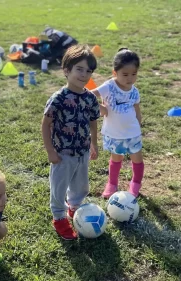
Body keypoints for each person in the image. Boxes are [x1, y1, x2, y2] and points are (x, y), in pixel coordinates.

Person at [41, 44, 101, 240]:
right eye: (79, 69)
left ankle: (73, 208)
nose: (84, 75)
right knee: (59, 188)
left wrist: (94, 143)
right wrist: (50, 151)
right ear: (66, 70)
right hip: (62, 154)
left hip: (82, 151)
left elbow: (93, 121)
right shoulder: (58, 98)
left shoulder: (90, 98)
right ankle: (59, 218)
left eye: (88, 71)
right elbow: (45, 124)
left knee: (82, 187)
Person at [92, 48, 144, 198]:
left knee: (137, 159)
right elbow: (89, 95)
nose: (130, 78)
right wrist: (100, 107)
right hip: (114, 133)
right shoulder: (109, 86)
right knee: (116, 159)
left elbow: (137, 109)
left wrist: (138, 126)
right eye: (125, 74)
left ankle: (135, 184)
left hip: (132, 132)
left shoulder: (134, 91)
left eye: (134, 74)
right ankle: (112, 183)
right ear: (115, 72)